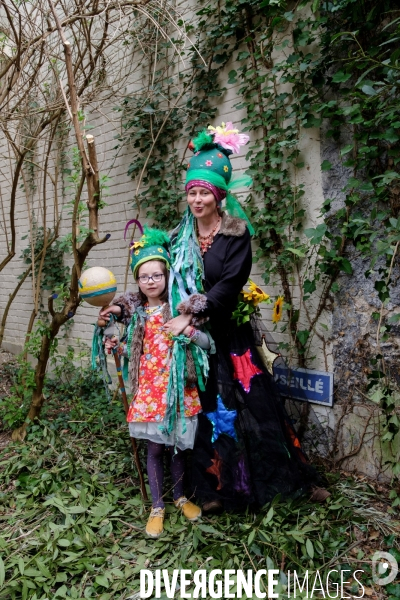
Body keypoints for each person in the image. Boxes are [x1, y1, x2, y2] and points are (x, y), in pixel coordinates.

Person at [160, 122, 328, 512]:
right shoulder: (177, 238)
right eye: (192, 193)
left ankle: (277, 484)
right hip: (194, 345)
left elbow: (229, 285)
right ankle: (214, 490)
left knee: (246, 408)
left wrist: (189, 314)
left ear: (218, 196)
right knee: (205, 412)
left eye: (205, 193)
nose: (197, 199)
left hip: (228, 337)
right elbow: (160, 280)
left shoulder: (236, 234)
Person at [100, 228, 210, 537]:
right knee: (155, 450)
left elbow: (204, 337)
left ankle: (179, 497)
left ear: (166, 276)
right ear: (137, 282)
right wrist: (115, 348)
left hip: (177, 391)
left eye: (156, 275)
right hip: (149, 392)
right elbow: (135, 349)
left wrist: (189, 329)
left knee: (176, 449)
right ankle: (157, 505)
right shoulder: (138, 315)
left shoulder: (179, 309)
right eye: (144, 277)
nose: (151, 281)